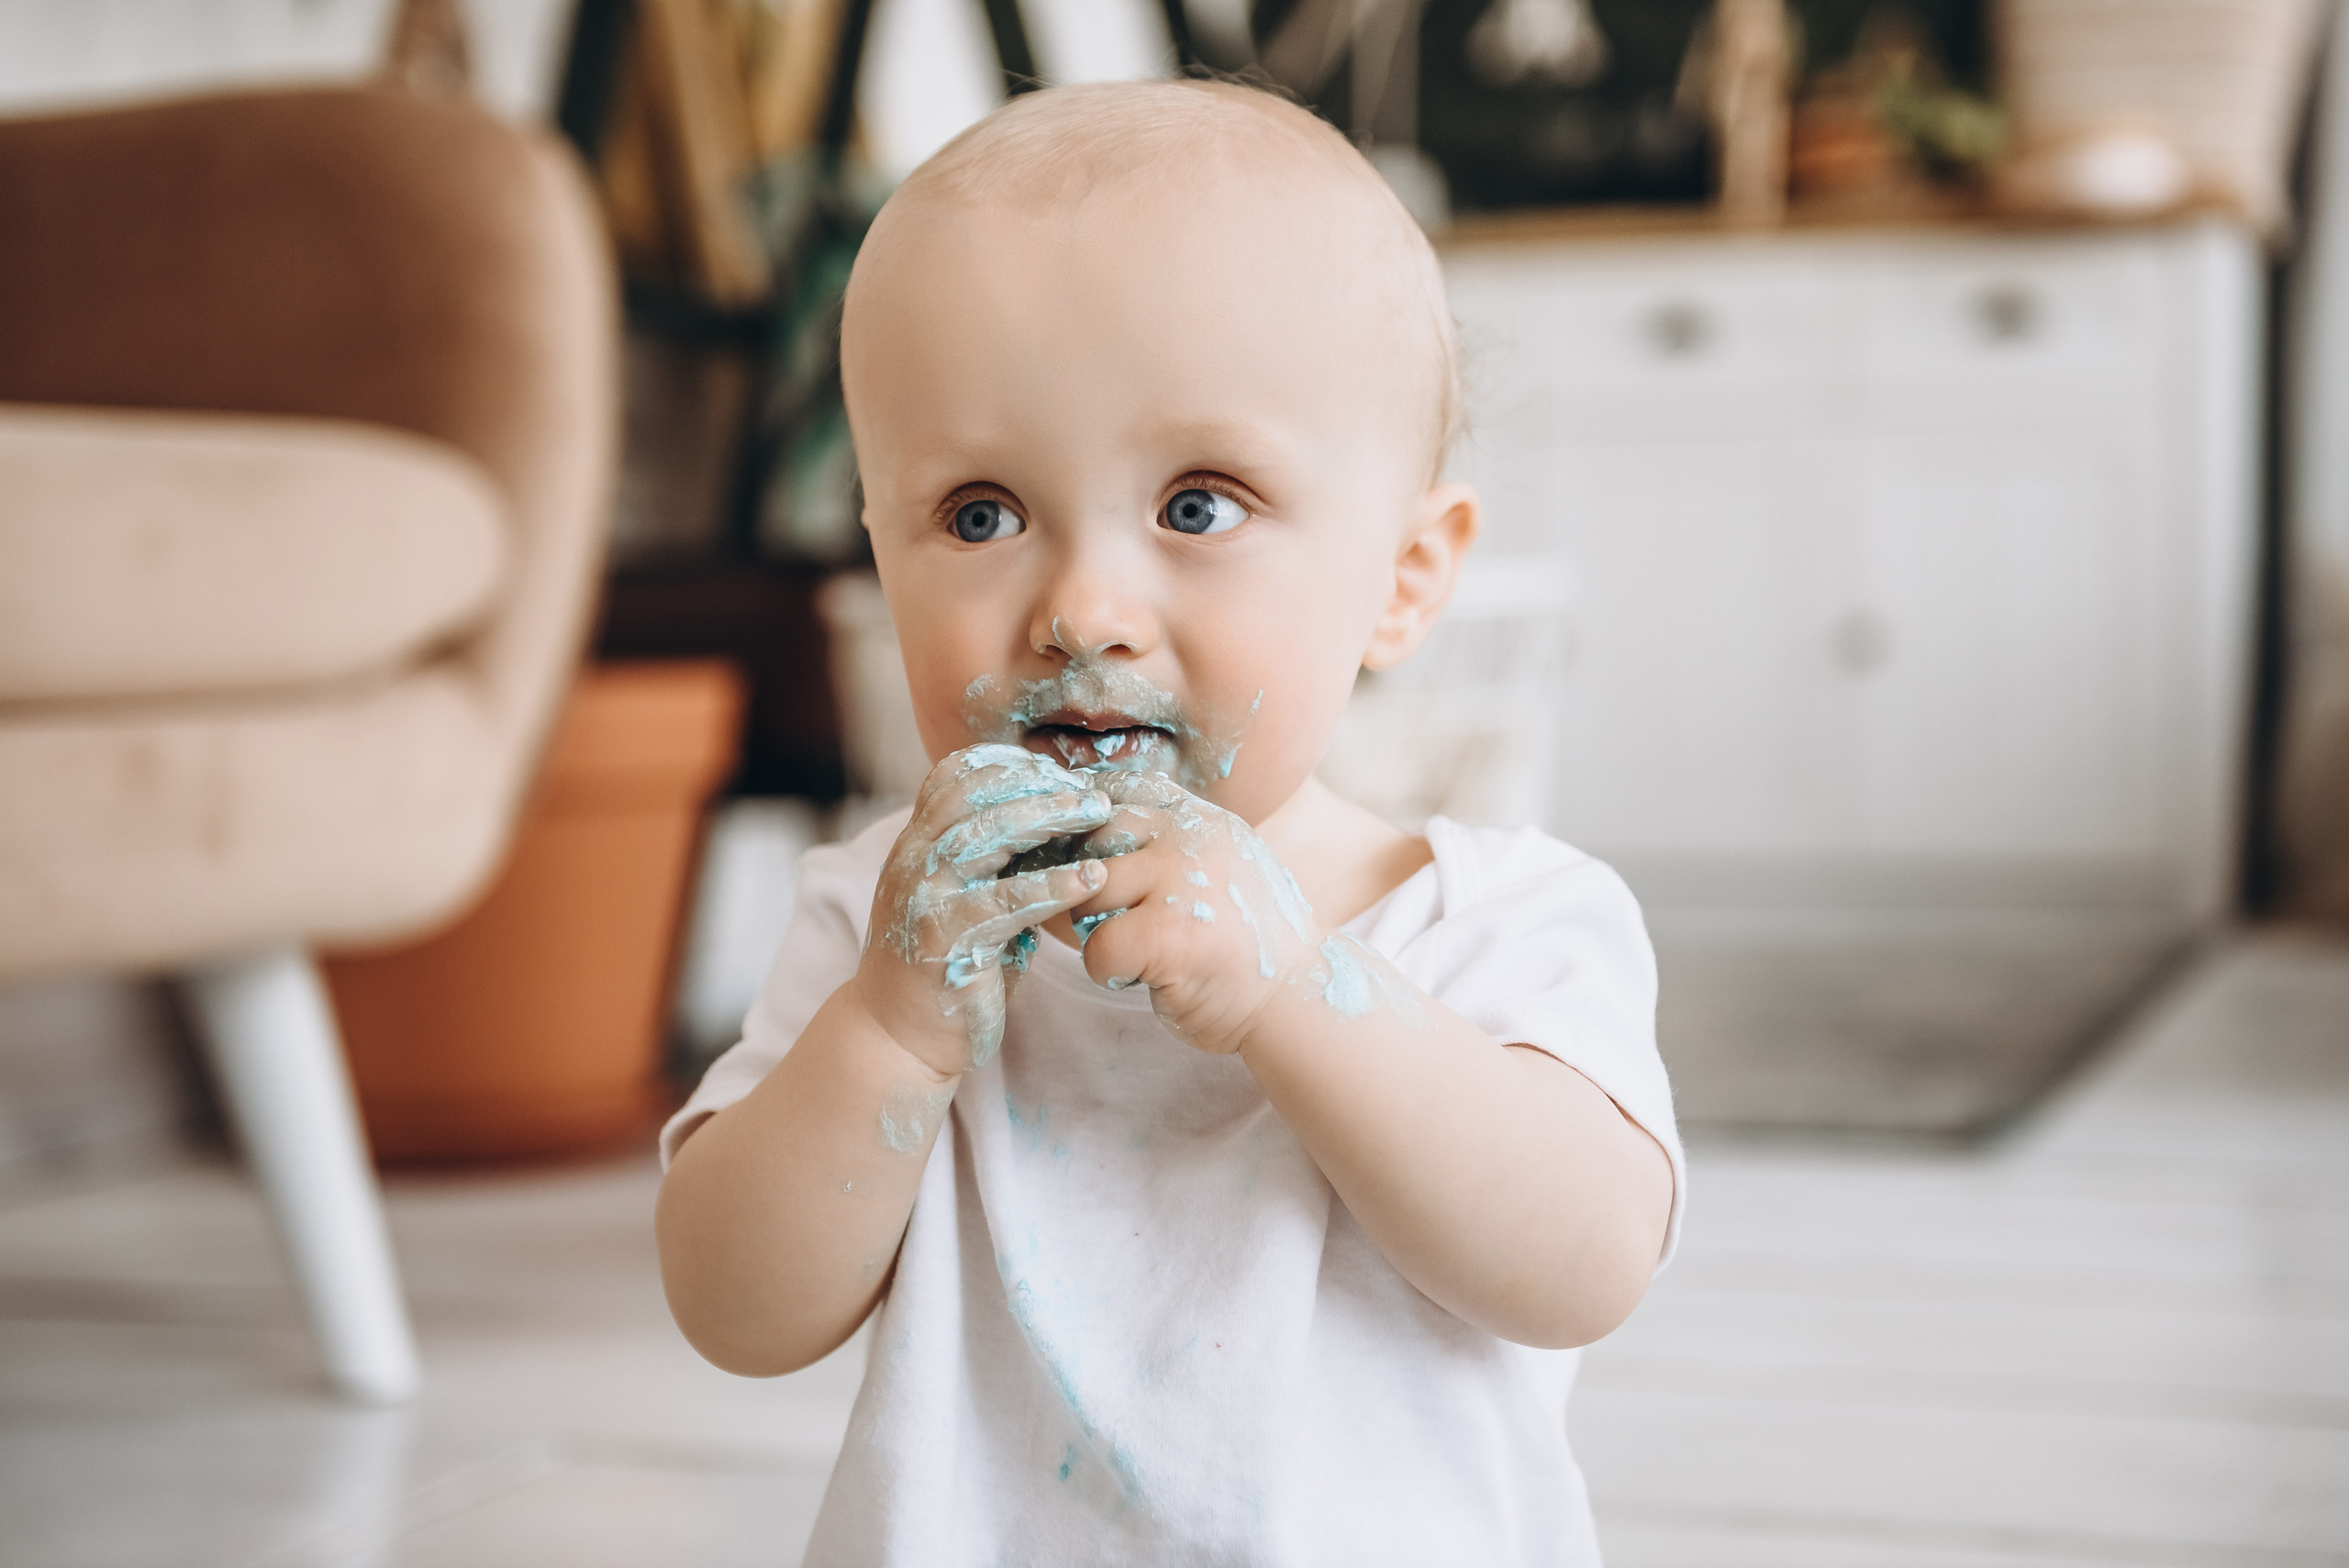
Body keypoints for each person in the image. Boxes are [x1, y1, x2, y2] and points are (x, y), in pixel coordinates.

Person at [654, 78, 1682, 1564]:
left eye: (1198, 505)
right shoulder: (892, 919)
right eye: (981, 513)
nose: (1081, 611)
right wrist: (887, 1032)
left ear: (1404, 578)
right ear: (880, 553)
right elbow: (734, 1312)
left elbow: (1582, 1265)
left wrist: (1293, 985)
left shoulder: (1499, 921)